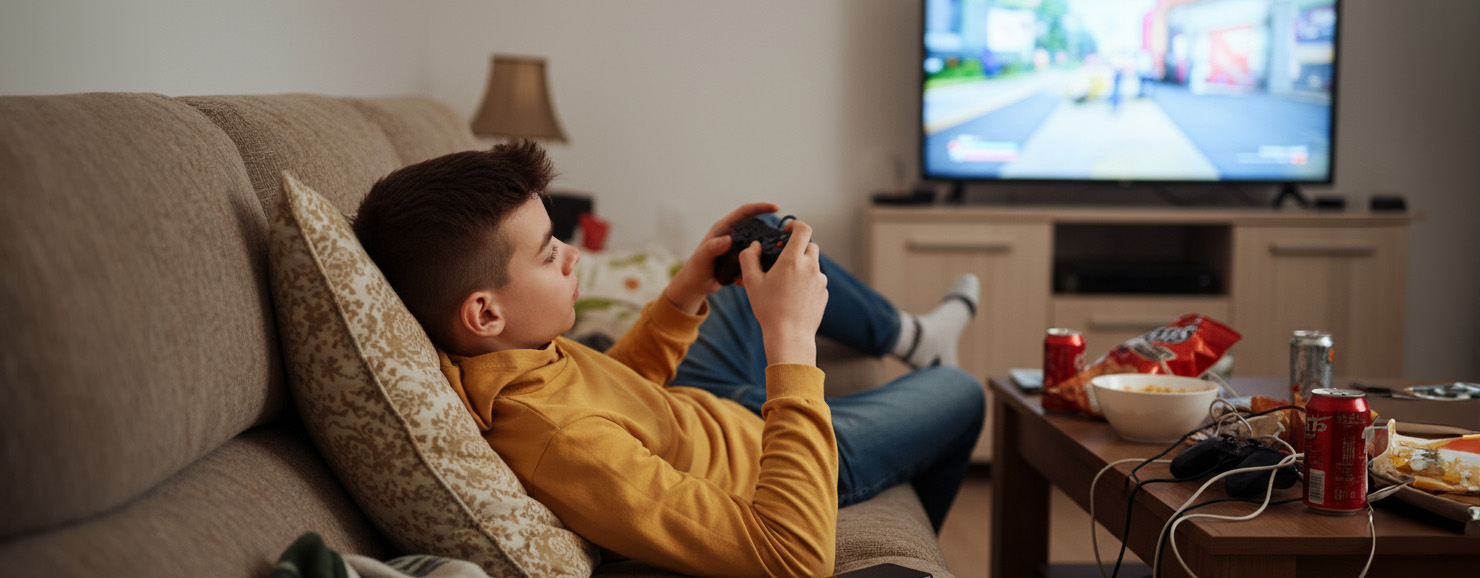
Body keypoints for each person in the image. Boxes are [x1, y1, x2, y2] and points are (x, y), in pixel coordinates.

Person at [353, 141, 985, 578]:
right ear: (485, 313)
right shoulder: (564, 446)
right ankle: (921, 364)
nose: (573, 256)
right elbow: (790, 557)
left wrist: (686, 291)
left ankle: (911, 334)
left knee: (762, 233)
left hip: (692, 408)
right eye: (549, 255)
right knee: (959, 392)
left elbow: (615, 392)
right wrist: (790, 342)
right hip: (770, 454)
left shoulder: (510, 353)